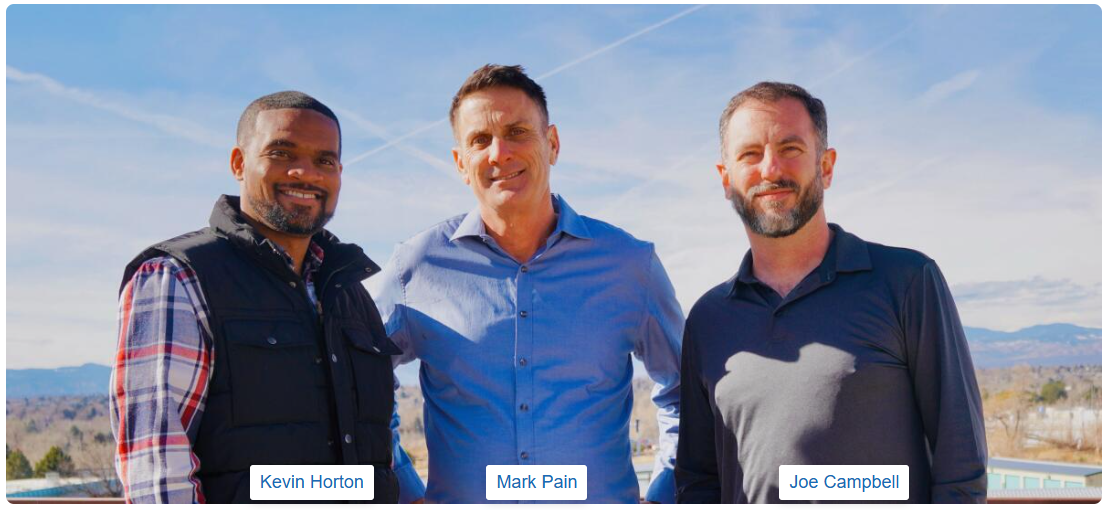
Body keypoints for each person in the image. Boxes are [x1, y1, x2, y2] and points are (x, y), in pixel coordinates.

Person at [371, 65, 684, 503]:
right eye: (480, 140)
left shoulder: (631, 265)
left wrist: (666, 493)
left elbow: (688, 395)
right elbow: (356, 387)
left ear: (551, 144)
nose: (499, 153)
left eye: (517, 132)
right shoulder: (414, 268)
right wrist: (404, 488)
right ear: (461, 162)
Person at [675, 82, 988, 504]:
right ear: (726, 178)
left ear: (825, 166)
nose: (770, 169)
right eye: (750, 154)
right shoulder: (708, 318)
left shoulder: (908, 282)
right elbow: (699, 480)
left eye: (790, 148)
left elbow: (961, 465)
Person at [109, 91, 418, 503]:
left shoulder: (351, 294)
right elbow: (158, 476)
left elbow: (379, 442)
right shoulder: (178, 278)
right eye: (281, 152)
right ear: (239, 162)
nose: (304, 173)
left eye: (324, 160)